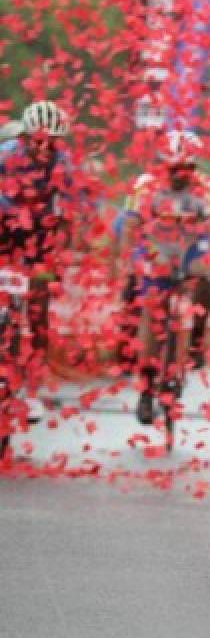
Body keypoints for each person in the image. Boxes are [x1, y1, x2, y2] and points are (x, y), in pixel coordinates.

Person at [113, 129, 210, 425]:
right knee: (152, 314)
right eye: (175, 169)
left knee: (206, 282)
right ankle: (147, 390)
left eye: (188, 168)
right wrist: (130, 263)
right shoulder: (145, 186)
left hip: (190, 249)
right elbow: (130, 228)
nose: (181, 175)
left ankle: (195, 340)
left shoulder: (208, 189)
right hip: (154, 248)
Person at [0, 101, 80, 424]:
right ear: (25, 137)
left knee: (37, 310)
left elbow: (67, 216)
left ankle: (31, 387)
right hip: (3, 225)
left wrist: (60, 258)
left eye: (52, 143)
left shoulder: (63, 164)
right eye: (38, 142)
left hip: (40, 233)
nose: (44, 148)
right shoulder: (5, 154)